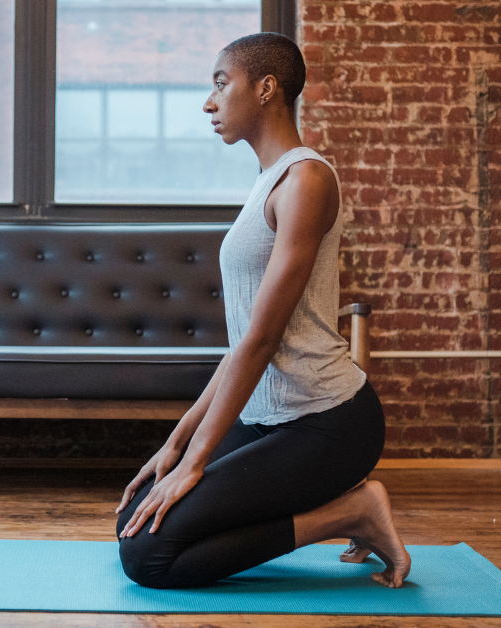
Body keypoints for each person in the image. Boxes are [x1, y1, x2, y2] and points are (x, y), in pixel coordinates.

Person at [114, 32, 411, 590]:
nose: (210, 102)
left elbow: (262, 339)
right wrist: (176, 443)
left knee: (149, 561)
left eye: (221, 84)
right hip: (266, 416)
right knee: (136, 530)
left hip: (329, 423)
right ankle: (344, 511)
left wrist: (196, 462)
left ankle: (350, 512)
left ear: (267, 88)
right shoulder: (266, 183)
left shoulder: (308, 180)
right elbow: (244, 340)